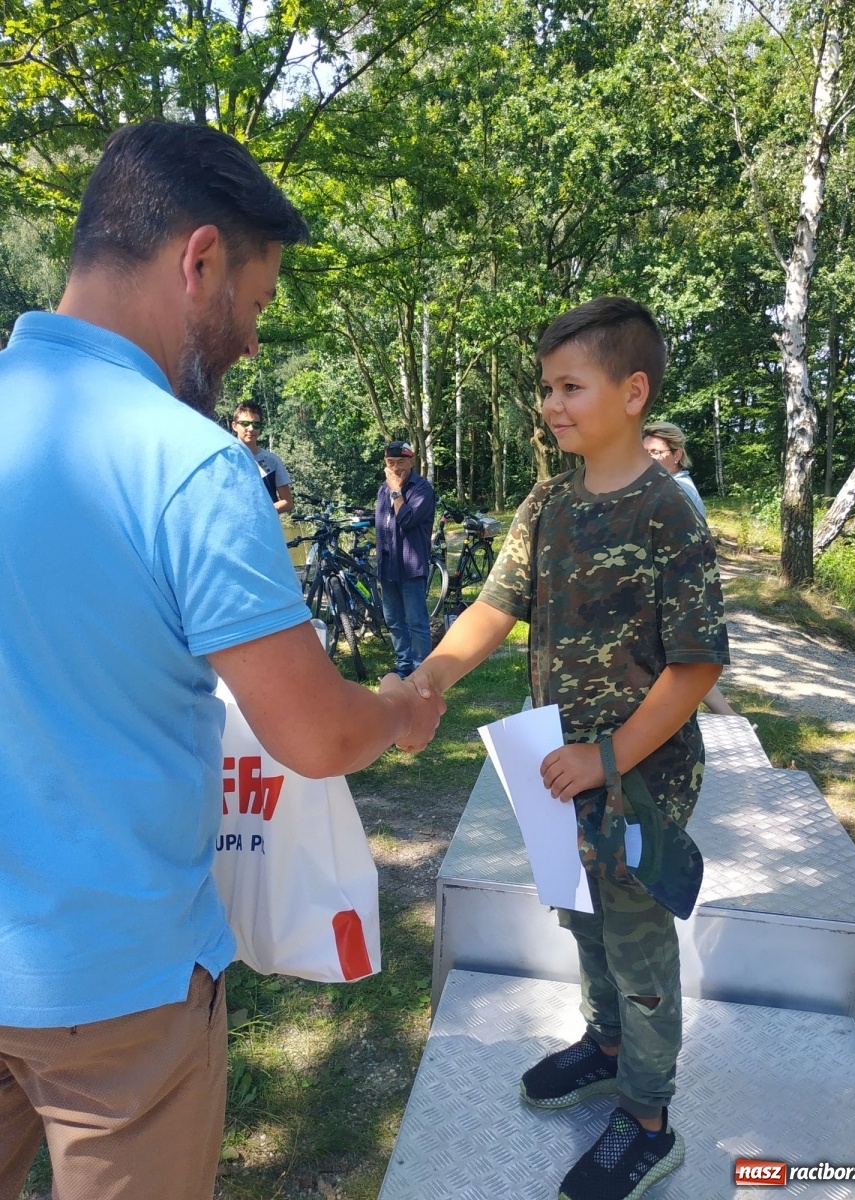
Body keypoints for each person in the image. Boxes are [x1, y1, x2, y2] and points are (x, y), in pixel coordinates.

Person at [0, 120, 444, 1200]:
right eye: (252, 303)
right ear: (198, 259)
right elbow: (312, 732)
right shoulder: (193, 464)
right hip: (120, 987)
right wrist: (395, 707)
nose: (250, 340)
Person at [402, 297, 729, 1200]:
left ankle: (650, 1119)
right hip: (554, 767)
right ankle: (606, 1041)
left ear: (633, 392)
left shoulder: (668, 514)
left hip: (638, 783)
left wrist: (608, 758)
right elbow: (494, 609)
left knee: (638, 942)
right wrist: (428, 677)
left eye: (570, 386)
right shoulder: (546, 501)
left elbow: (696, 668)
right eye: (545, 387)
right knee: (582, 917)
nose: (550, 403)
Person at [642, 420, 737, 717]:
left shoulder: (677, 490)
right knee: (682, 661)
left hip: (679, 587)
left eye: (656, 452)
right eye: (645, 451)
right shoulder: (667, 485)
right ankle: (731, 718)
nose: (649, 458)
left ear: (677, 454)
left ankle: (672, 724)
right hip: (674, 585)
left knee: (682, 661)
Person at [375, 440, 436, 678]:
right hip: (387, 565)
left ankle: (421, 668)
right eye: (391, 463)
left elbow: (407, 519)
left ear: (412, 461)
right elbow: (382, 523)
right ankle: (404, 665)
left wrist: (396, 492)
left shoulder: (421, 489)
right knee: (393, 620)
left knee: (416, 621)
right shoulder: (383, 489)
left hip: (411, 564)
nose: (396, 467)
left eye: (401, 462)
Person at [232, 400, 294, 514]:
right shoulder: (226, 459)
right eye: (245, 423)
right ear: (234, 426)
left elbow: (287, 502)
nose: (251, 429)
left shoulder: (272, 461)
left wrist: (260, 513)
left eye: (256, 424)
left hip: (265, 529)